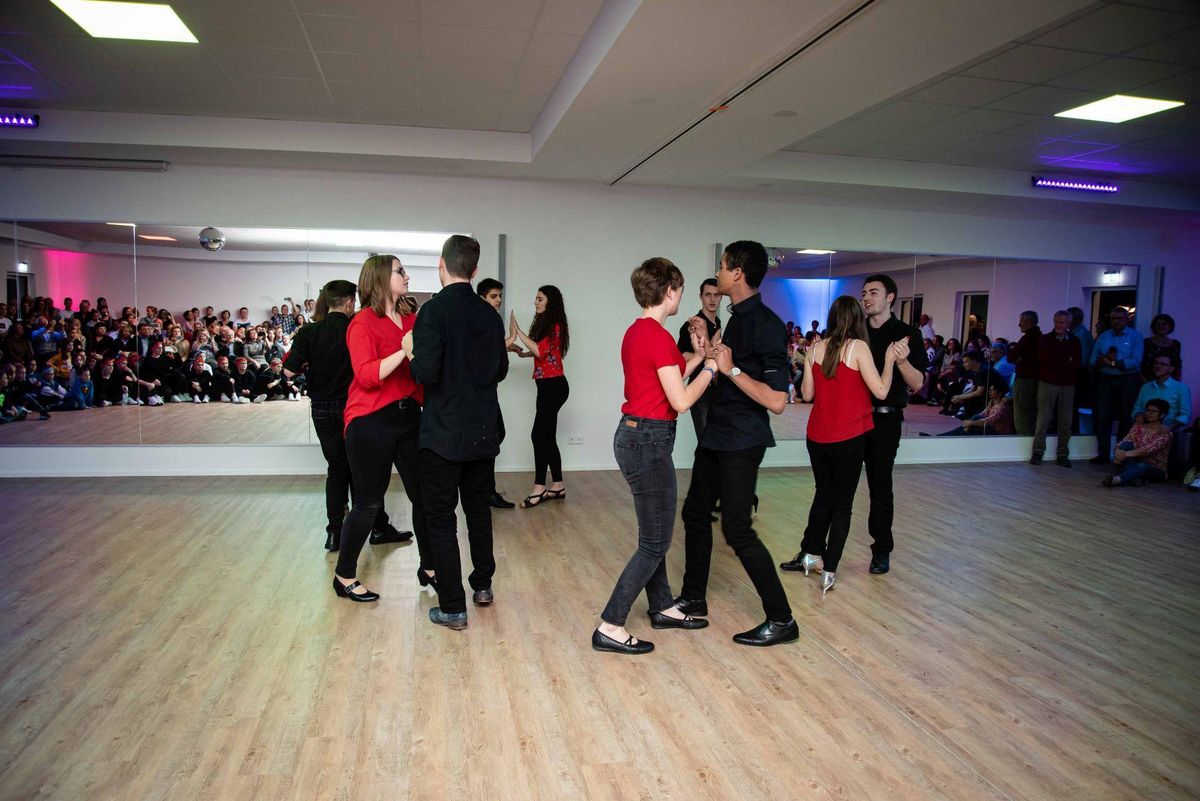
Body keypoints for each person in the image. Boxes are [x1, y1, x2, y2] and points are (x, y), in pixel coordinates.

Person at [675, 240, 798, 648]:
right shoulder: (734, 319)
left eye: (723, 266)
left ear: (738, 273)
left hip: (742, 440)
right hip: (718, 433)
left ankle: (782, 619)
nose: (719, 272)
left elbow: (777, 401)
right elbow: (725, 371)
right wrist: (706, 351)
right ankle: (693, 598)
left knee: (737, 529)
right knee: (695, 512)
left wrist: (731, 369)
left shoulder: (766, 324)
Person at [593, 258, 719, 655]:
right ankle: (611, 624)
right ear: (669, 291)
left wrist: (696, 357)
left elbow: (665, 372)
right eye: (680, 289)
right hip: (648, 441)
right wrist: (711, 368)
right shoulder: (660, 337)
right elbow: (680, 400)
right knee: (655, 541)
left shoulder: (638, 332)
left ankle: (662, 605)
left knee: (654, 531)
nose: (681, 295)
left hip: (635, 436)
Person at [407, 236, 508, 630]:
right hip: (482, 430)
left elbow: (425, 372)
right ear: (475, 270)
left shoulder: (432, 312)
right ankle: (482, 585)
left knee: (441, 519)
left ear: (441, 264)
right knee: (478, 513)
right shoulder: (489, 315)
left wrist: (411, 351)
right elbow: (500, 370)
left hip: (443, 435)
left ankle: (452, 606)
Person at [781, 296, 903, 596]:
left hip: (817, 437)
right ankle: (829, 569)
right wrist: (889, 361)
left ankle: (811, 554)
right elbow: (881, 391)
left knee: (824, 495)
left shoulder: (815, 349)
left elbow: (807, 395)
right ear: (857, 319)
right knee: (842, 505)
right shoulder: (858, 347)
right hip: (848, 437)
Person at [283, 279, 412, 551]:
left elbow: (288, 371)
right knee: (364, 473)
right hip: (354, 407)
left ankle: (334, 533)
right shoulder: (357, 327)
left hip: (322, 409)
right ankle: (378, 528)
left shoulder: (309, 332)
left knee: (337, 469)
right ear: (350, 302)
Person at [333, 254, 431, 603]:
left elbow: (421, 370)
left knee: (424, 496)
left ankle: (430, 566)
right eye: (399, 271)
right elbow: (366, 375)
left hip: (409, 417)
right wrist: (405, 351)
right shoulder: (361, 323)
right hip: (370, 420)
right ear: (379, 279)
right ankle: (344, 576)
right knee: (368, 503)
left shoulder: (411, 319)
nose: (406, 276)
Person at [859, 274, 927, 575]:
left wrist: (901, 361)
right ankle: (817, 547)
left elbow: (917, 383)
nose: (866, 298)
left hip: (885, 419)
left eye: (873, 292)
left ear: (890, 297)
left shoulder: (907, 334)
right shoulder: (856, 331)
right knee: (837, 485)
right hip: (853, 417)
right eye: (864, 293)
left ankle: (881, 549)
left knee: (880, 486)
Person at [509, 285, 570, 508]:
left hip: (554, 387)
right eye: (536, 298)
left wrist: (517, 331)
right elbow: (542, 352)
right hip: (547, 387)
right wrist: (521, 351)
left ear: (550, 302)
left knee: (538, 436)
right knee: (547, 437)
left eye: (539, 299)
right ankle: (558, 485)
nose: (535, 302)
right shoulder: (547, 326)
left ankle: (539, 487)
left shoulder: (555, 326)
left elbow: (540, 351)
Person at [475, 277, 518, 510]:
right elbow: (490, 357)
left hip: (485, 391)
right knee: (491, 437)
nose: (499, 300)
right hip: (482, 392)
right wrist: (508, 341)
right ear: (482, 297)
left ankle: (485, 490)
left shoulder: (486, 319)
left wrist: (506, 344)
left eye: (500, 295)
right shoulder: (487, 319)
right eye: (494, 296)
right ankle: (485, 492)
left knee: (493, 436)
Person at [1090, 306, 1143, 464]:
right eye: (1113, 318)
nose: (1116, 321)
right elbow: (1092, 360)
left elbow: (1135, 362)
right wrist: (1104, 361)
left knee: (1126, 418)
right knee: (1103, 417)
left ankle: (1122, 455)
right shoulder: (1104, 336)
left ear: (1127, 319)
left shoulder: (1135, 336)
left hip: (1127, 380)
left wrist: (1112, 363)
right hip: (1106, 380)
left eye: (1120, 318)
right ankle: (1103, 454)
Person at [1031, 310, 1081, 466]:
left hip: (1067, 384)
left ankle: (1062, 454)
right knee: (1043, 419)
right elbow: (1044, 360)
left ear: (1068, 324)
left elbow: (1076, 362)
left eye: (1062, 322)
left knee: (1066, 420)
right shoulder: (1045, 339)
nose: (1058, 325)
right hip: (1048, 383)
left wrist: (1062, 362)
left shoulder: (1075, 341)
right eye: (1056, 322)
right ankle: (1038, 452)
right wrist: (1065, 361)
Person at [676, 277, 722, 440]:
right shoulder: (692, 325)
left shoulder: (717, 322)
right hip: (699, 388)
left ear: (721, 297)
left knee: (717, 440)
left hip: (717, 388)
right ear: (701, 297)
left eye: (716, 295)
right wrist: (707, 356)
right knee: (705, 440)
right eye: (708, 294)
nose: (712, 299)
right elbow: (681, 356)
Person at [1103, 399, 1173, 487]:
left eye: (1154, 411)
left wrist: (1125, 454)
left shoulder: (1165, 432)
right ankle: (1136, 479)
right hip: (1135, 462)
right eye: (1148, 410)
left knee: (1141, 466)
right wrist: (1117, 451)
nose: (1149, 413)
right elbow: (1124, 441)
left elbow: (1148, 450)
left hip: (1155, 468)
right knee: (1126, 445)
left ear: (1162, 415)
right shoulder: (1139, 426)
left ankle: (1117, 480)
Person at [934, 377, 1013, 436]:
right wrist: (971, 422)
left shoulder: (1001, 408)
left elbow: (987, 422)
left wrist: (971, 423)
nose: (990, 392)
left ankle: (943, 438)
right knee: (973, 420)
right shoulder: (992, 402)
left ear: (1000, 393)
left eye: (993, 390)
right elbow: (983, 414)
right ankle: (941, 437)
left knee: (970, 429)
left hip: (998, 433)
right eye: (990, 390)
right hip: (990, 427)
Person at [1132, 354, 1190, 430]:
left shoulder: (1181, 388)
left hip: (1169, 431)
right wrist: (1138, 415)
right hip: (1145, 430)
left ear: (1171, 369)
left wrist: (1170, 427)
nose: (1158, 366)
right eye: (1156, 363)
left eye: (1163, 364)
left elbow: (1185, 415)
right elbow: (1137, 408)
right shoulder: (1146, 387)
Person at [1006, 311, 1041, 436]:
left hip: (1025, 380)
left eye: (1021, 321)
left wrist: (1019, 359)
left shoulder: (1027, 338)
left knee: (1021, 414)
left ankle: (1023, 440)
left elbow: (1011, 357)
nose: (1019, 324)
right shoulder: (1040, 337)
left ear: (1029, 321)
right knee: (1032, 412)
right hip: (1037, 379)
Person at [1141, 313, 1181, 381]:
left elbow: (1178, 364)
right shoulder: (1146, 342)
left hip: (1170, 381)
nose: (1160, 326)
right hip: (1148, 380)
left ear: (1170, 326)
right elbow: (1140, 364)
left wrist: (1178, 382)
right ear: (1154, 327)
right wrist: (1144, 381)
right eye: (1157, 324)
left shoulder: (1176, 344)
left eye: (1164, 324)